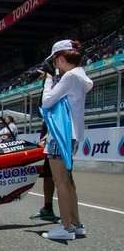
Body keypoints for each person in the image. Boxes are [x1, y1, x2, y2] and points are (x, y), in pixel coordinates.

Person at [38, 39, 93, 240]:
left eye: (54, 62)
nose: (53, 66)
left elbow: (46, 102)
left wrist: (49, 79)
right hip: (73, 135)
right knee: (67, 182)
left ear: (61, 58)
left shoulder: (68, 77)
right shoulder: (80, 77)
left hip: (60, 135)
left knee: (59, 182)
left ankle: (66, 227)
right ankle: (76, 224)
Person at [30, 115, 59, 222]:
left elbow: (56, 121)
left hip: (56, 141)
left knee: (63, 179)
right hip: (48, 144)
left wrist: (46, 138)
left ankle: (71, 216)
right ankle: (48, 208)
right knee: (47, 176)